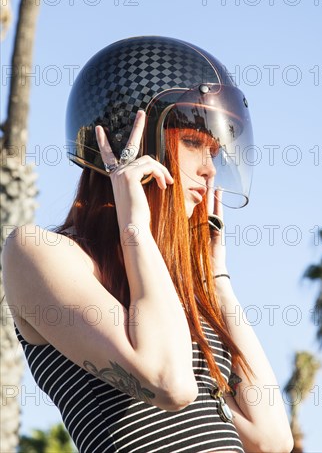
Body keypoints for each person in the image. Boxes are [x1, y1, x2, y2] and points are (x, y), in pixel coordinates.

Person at [2, 36, 294, 453]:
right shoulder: (38, 252)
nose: (211, 170)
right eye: (194, 142)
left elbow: (271, 438)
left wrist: (217, 277)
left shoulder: (170, 290)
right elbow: (168, 381)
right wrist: (134, 223)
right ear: (135, 144)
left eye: (216, 151)